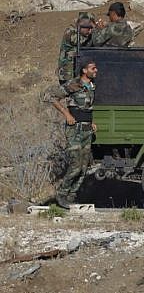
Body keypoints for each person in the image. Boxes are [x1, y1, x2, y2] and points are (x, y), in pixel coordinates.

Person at [46, 58, 98, 209]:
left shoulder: (92, 86)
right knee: (75, 164)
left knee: (84, 166)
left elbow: (87, 107)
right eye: (93, 68)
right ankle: (61, 194)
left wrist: (91, 122)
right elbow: (52, 97)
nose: (96, 71)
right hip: (74, 129)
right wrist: (66, 115)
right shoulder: (74, 84)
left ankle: (71, 197)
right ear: (84, 70)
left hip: (86, 129)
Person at [57, 12, 95, 84]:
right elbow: (78, 41)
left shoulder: (83, 34)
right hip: (67, 72)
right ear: (82, 25)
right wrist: (95, 30)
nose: (90, 31)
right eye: (88, 28)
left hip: (77, 71)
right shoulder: (70, 31)